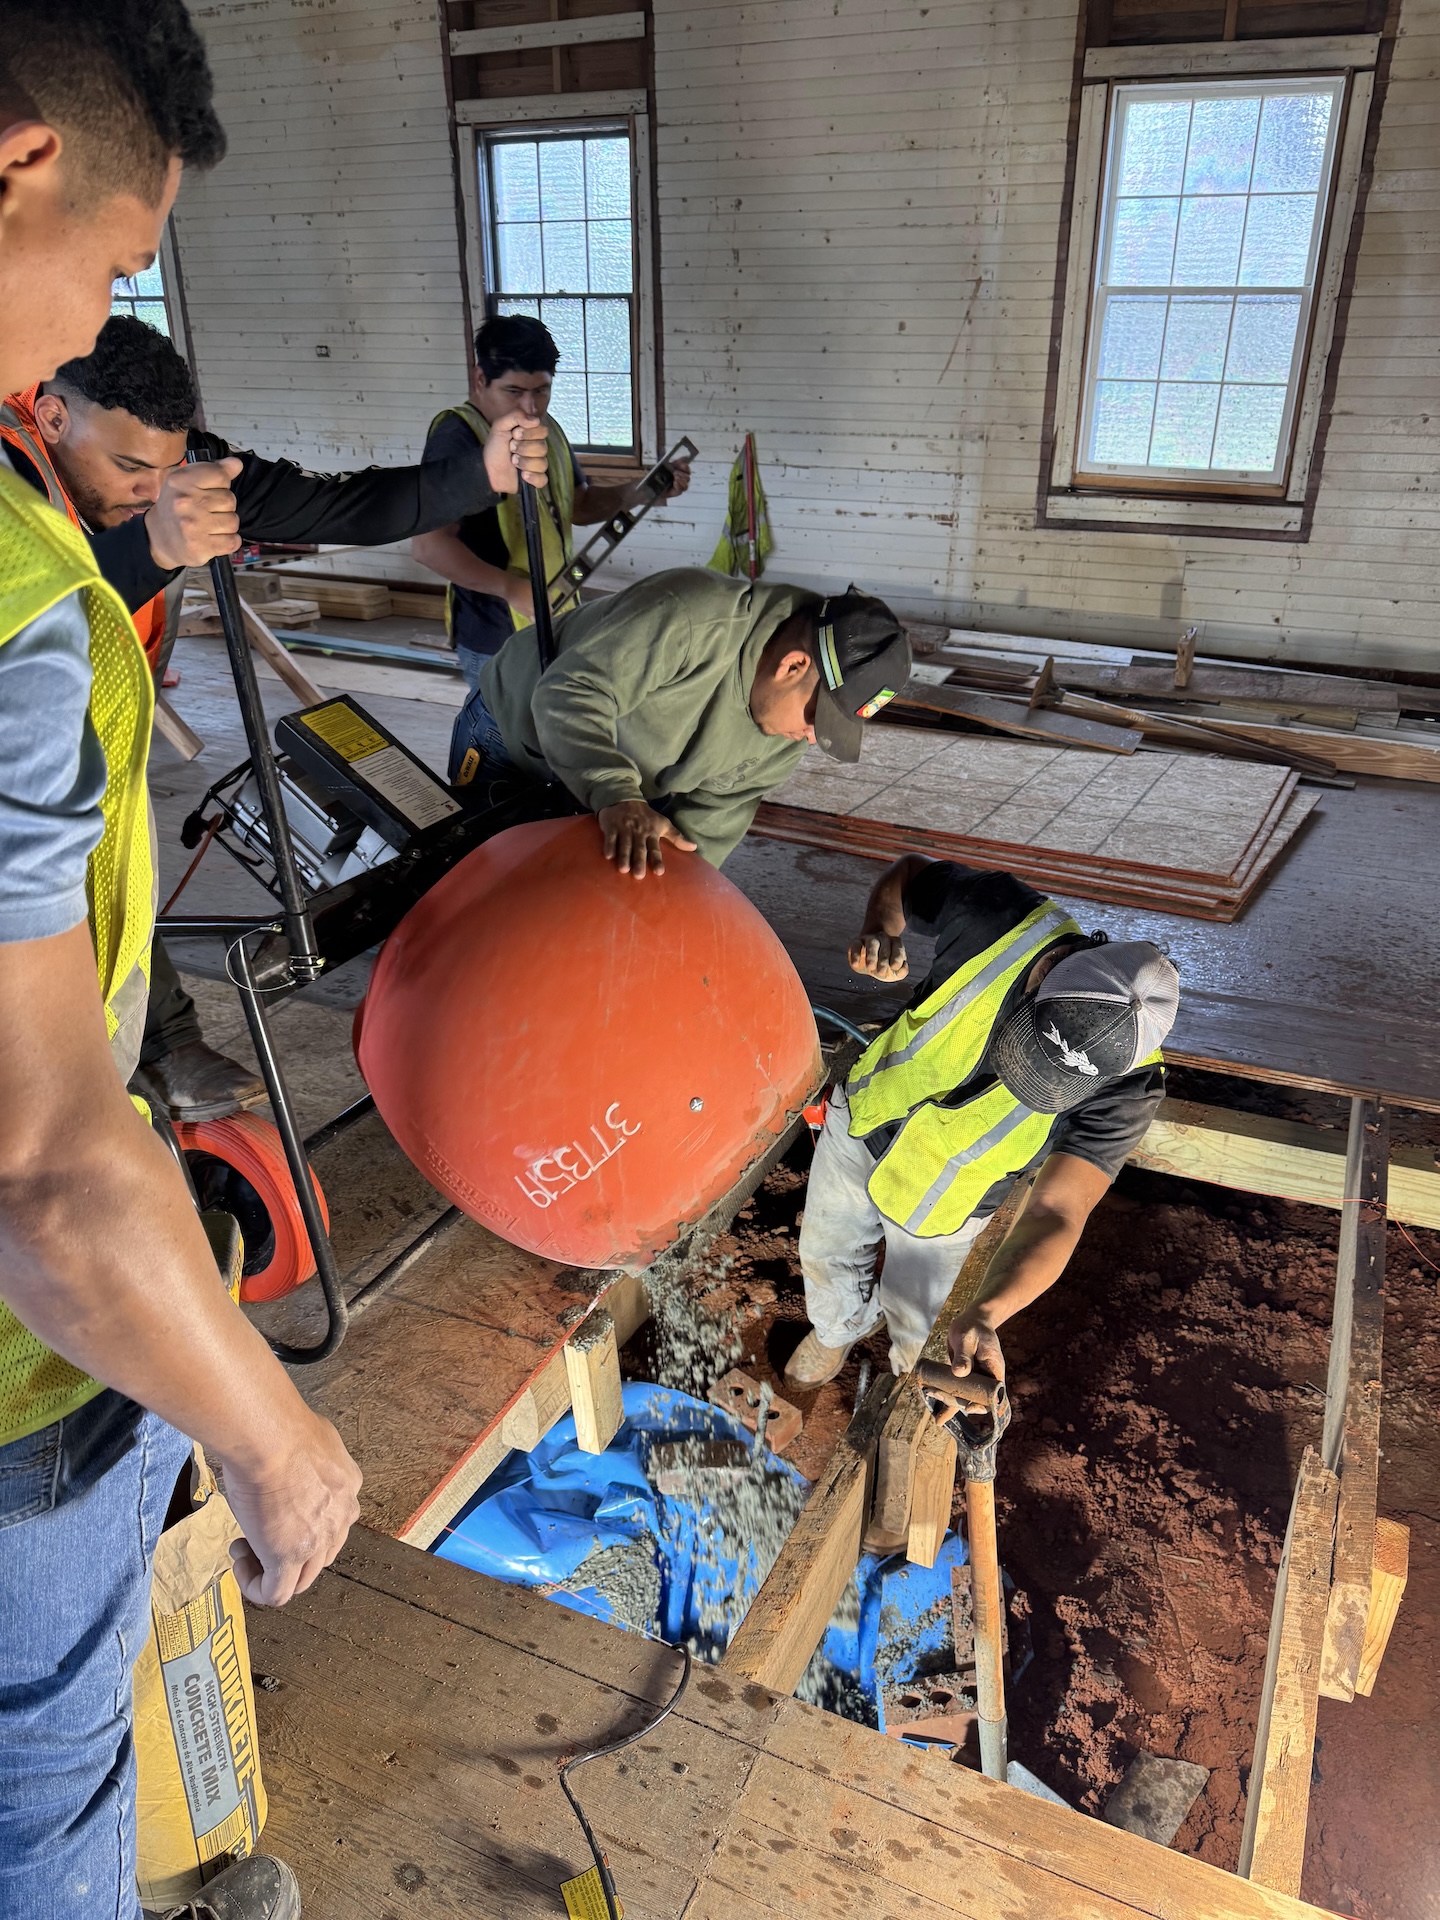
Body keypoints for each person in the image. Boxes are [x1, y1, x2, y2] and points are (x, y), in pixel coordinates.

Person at [0, 7, 358, 1917]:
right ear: (21, 163)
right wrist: (278, 1443)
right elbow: (47, 1182)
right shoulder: (15, 598)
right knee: (48, 1783)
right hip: (15, 1379)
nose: (99, 323)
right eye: (120, 266)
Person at [1, 314, 549, 1120]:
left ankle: (159, 1041)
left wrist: (479, 475)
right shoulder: (11, 484)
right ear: (52, 418)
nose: (151, 491)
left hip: (100, 728)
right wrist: (149, 549)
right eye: (128, 468)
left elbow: (330, 506)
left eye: (165, 470)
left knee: (119, 881)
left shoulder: (174, 465)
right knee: (42, 927)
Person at [784, 854, 1179, 1392]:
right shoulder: (997, 916)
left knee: (921, 1326)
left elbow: (1056, 1211)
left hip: (947, 1200)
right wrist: (880, 929)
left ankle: (906, 1385)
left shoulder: (1131, 1087)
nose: (1028, 1079)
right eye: (1031, 1053)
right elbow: (907, 878)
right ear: (1046, 973)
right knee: (826, 1252)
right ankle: (835, 1330)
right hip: (864, 1122)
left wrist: (987, 1312)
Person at [446, 565, 913, 876]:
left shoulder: (783, 735)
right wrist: (616, 794)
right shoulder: (691, 616)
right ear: (792, 666)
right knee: (468, 879)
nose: (811, 738)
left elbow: (701, 838)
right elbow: (568, 695)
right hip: (515, 734)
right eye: (817, 717)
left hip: (616, 781)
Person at [411, 313, 691, 689]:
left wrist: (643, 491)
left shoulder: (547, 430)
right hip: (496, 638)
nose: (530, 407)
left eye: (541, 390)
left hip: (555, 619)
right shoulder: (457, 437)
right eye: (514, 392)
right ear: (480, 380)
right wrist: (513, 590)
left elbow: (579, 505)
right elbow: (428, 546)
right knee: (505, 727)